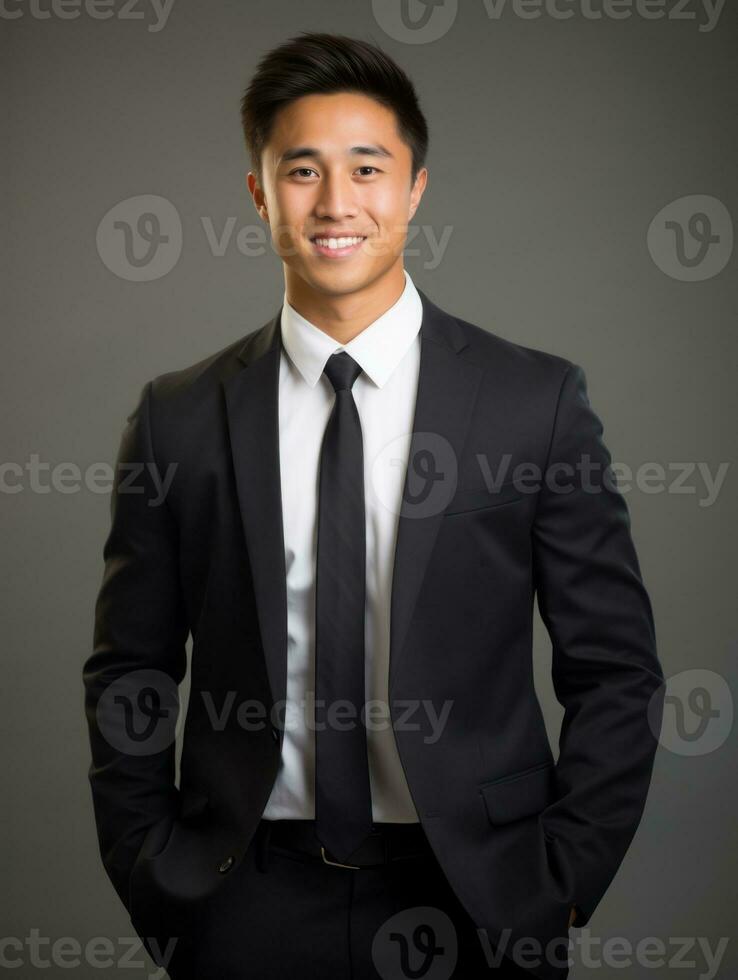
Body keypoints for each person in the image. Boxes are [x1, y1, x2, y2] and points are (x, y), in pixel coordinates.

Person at [82, 31, 666, 980]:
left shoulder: (533, 403)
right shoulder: (177, 417)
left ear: (416, 190)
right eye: (301, 170)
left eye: (368, 168)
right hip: (243, 897)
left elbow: (617, 670)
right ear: (259, 192)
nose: (336, 202)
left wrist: (560, 880)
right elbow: (130, 672)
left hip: (477, 894)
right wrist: (154, 874)